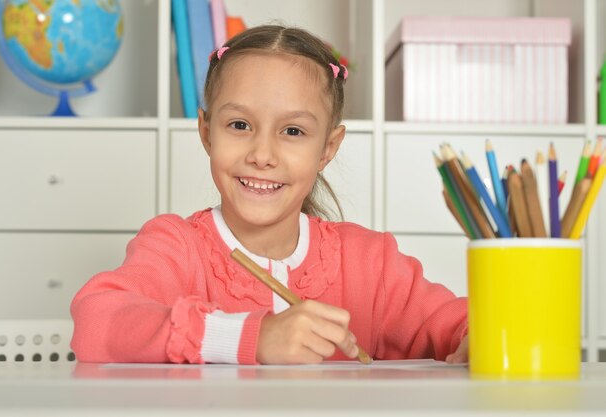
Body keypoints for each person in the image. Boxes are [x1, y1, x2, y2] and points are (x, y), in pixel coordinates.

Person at [70, 25, 468, 365]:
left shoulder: (372, 263)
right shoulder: (175, 246)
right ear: (207, 132)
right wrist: (252, 338)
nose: (262, 155)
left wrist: (477, 341)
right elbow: (97, 322)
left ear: (328, 149)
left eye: (293, 131)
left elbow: (461, 324)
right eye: (240, 124)